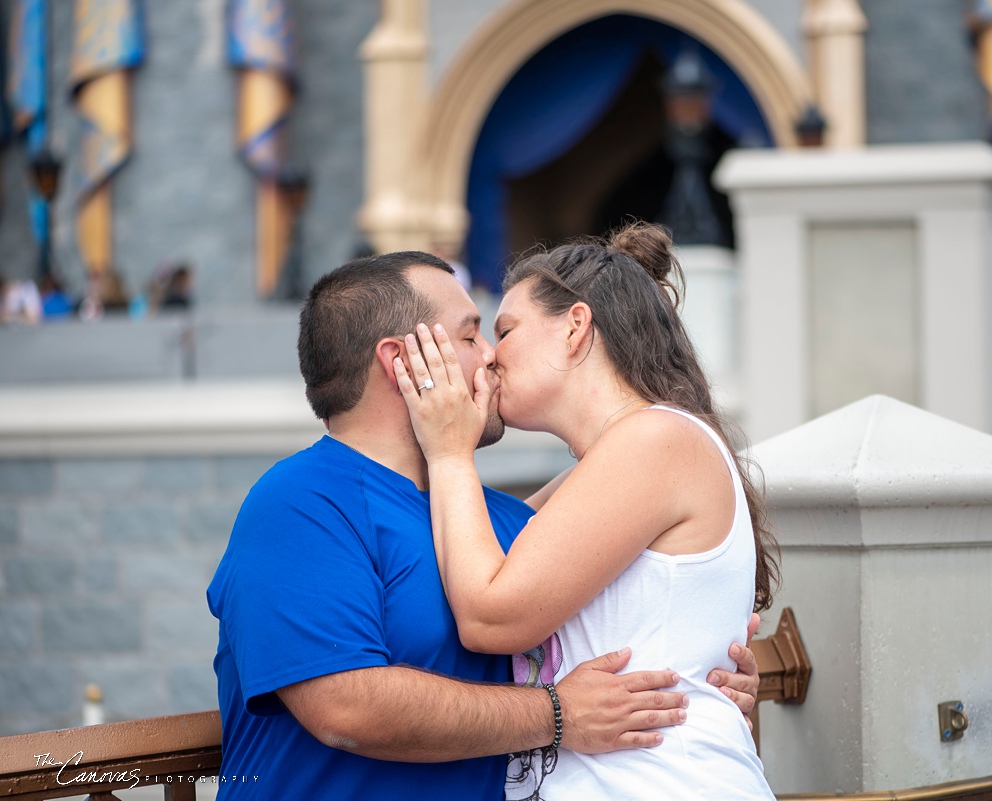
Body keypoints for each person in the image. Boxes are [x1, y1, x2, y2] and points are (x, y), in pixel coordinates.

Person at [205, 250, 760, 799]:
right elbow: (345, 708)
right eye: (471, 337)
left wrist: (705, 668)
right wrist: (557, 713)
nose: (491, 356)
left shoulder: (501, 517)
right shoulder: (301, 502)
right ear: (404, 361)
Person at [396, 222, 779, 799]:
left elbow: (489, 616)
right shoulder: (607, 467)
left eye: (506, 329)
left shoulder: (654, 441)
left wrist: (450, 454)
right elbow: (475, 560)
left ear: (575, 326)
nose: (492, 356)